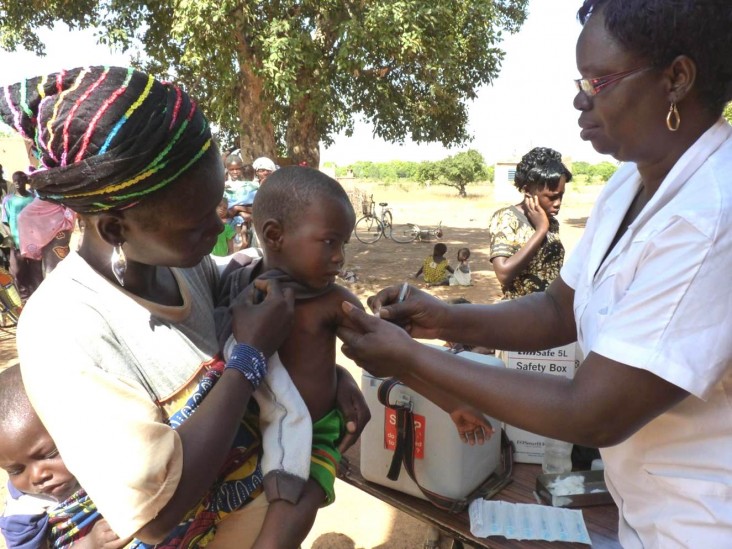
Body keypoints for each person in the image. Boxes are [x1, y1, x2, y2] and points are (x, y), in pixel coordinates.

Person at [336, 1, 732, 546]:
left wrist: (408, 357)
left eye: (599, 80)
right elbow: (557, 308)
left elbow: (592, 413)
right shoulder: (629, 184)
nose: (579, 97)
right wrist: (441, 318)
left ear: (676, 79)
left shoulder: (711, 218)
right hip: (645, 510)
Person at [0, 65, 369, 548]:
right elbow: (153, 517)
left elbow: (265, 327)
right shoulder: (63, 328)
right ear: (115, 229)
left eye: (217, 210)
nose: (217, 234)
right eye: (195, 226)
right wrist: (247, 363)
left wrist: (324, 378)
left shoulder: (184, 266)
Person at [0, 366, 129, 549]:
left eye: (49, 454)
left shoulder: (107, 447)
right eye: (16, 470)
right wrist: (90, 544)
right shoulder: (23, 513)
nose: (37, 476)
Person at [488, 147, 571, 299]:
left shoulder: (552, 222)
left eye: (561, 196)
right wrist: (541, 230)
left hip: (550, 313)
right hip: (521, 315)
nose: (558, 203)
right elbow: (503, 273)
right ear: (528, 191)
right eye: (552, 197)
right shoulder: (506, 218)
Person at [1, 172, 40, 300]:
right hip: (17, 243)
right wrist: (11, 237)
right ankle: (24, 298)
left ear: (25, 181)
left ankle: (38, 294)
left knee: (36, 270)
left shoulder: (33, 198)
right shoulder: (9, 200)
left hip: (34, 242)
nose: (17, 183)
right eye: (15, 181)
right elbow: (5, 221)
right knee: (18, 272)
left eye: (19, 180)